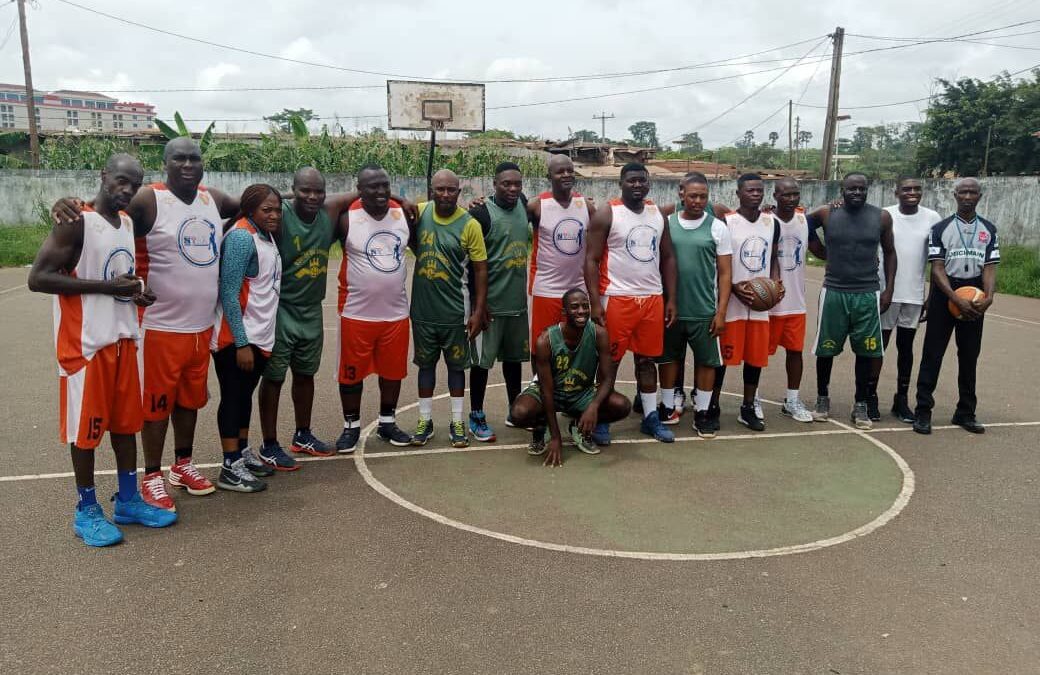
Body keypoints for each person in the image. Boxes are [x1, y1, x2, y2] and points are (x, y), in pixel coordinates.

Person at [29, 154, 176, 546]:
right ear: (104, 176)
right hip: (86, 346)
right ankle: (86, 509)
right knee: (86, 433)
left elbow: (117, 275)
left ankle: (128, 500)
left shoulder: (126, 222)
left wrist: (136, 294)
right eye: (121, 181)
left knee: (126, 426)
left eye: (134, 183)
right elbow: (38, 278)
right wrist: (107, 289)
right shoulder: (76, 220)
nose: (126, 190)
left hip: (123, 339)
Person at [584, 162, 678, 444]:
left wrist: (670, 298)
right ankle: (602, 418)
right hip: (617, 297)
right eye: (632, 181)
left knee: (647, 360)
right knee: (609, 361)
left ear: (649, 183)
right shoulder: (607, 213)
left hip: (651, 298)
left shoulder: (657, 214)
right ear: (621, 183)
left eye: (642, 180)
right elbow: (591, 260)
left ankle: (650, 417)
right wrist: (595, 303)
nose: (637, 185)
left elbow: (669, 257)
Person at [334, 165, 415, 452]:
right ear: (359, 189)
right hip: (357, 313)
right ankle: (351, 426)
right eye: (372, 187)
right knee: (351, 375)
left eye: (385, 185)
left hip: (395, 313)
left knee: (393, 373)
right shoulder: (346, 217)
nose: (380, 191)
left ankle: (387, 422)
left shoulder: (403, 214)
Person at [807, 172, 896, 430]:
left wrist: (888, 290)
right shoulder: (827, 213)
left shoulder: (881, 217)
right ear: (842, 190)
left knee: (866, 351)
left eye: (862, 189)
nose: (857, 193)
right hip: (834, 291)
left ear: (867, 190)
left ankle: (861, 404)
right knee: (826, 350)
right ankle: (822, 398)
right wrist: (822, 251)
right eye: (851, 189)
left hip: (867, 293)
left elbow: (890, 252)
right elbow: (801, 223)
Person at [211, 184, 283, 492]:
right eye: (267, 210)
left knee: (244, 397)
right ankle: (230, 466)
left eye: (277, 209)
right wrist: (241, 342)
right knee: (233, 397)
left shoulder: (264, 236)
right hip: (237, 338)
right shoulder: (242, 237)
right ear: (251, 209)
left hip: (259, 334)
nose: (274, 215)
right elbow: (228, 291)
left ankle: (241, 452)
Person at [410, 169, 488, 448]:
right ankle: (425, 419)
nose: (445, 194)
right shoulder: (418, 214)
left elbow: (480, 270)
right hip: (422, 311)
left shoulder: (469, 225)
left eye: (451, 190)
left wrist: (478, 311)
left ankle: (457, 420)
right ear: (431, 190)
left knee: (457, 368)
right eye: (440, 189)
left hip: (456, 312)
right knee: (425, 367)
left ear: (459, 192)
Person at [913, 178, 998, 435]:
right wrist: (954, 297)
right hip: (945, 294)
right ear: (955, 194)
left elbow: (990, 267)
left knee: (969, 356)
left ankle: (965, 412)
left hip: (974, 295)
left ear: (980, 196)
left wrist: (989, 297)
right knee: (932, 354)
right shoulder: (941, 228)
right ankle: (923, 411)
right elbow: (937, 268)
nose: (968, 196)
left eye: (973, 192)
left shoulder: (989, 229)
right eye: (963, 192)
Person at [510, 288, 632, 465]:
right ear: (564, 312)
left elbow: (607, 379)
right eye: (574, 307)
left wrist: (593, 407)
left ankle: (578, 426)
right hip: (552, 392)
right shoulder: (546, 340)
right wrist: (555, 437)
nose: (581, 311)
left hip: (582, 393)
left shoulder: (599, 334)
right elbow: (546, 391)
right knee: (519, 413)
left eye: (585, 306)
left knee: (622, 405)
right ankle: (541, 427)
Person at [654, 172, 732, 438]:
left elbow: (724, 274)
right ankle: (667, 406)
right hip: (671, 308)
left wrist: (721, 312)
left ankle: (702, 412)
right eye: (693, 196)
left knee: (707, 362)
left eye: (703, 196)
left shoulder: (717, 227)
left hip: (704, 310)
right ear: (681, 193)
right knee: (667, 360)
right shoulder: (666, 224)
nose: (698, 201)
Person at [466, 162, 531, 442]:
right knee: (482, 364)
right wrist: (479, 306)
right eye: (507, 184)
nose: (513, 189)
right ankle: (476, 415)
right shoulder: (481, 213)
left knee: (514, 360)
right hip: (490, 306)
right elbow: (471, 263)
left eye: (517, 183)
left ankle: (515, 410)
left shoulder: (523, 204)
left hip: (516, 303)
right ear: (494, 184)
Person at [714, 173, 784, 432]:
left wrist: (776, 283)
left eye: (759, 190)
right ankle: (712, 404)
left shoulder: (771, 223)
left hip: (759, 305)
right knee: (722, 359)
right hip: (731, 302)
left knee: (754, 360)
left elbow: (774, 257)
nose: (755, 194)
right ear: (738, 194)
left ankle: (747, 406)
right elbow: (718, 262)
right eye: (750, 190)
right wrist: (732, 287)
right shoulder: (726, 222)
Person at [875, 176, 940, 423]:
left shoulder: (932, 218)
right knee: (879, 346)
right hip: (886, 293)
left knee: (906, 349)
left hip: (913, 294)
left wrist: (930, 296)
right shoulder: (885, 215)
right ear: (896, 192)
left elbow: (936, 261)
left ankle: (901, 399)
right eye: (907, 189)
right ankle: (870, 395)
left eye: (916, 189)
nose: (912, 192)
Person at [527, 155, 595, 351]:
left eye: (570, 170)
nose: (566, 175)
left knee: (578, 345)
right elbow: (510, 216)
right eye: (560, 171)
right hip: (546, 289)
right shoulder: (537, 205)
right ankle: (539, 382)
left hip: (578, 290)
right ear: (549, 176)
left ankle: (575, 382)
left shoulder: (586, 205)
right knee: (542, 346)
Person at [767, 177, 813, 423]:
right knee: (758, 355)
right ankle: (752, 400)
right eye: (786, 194)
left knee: (795, 352)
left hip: (796, 302)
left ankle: (792, 399)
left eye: (795, 194)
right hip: (768, 303)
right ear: (775, 196)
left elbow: (819, 248)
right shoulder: (765, 220)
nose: (791, 199)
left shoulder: (805, 220)